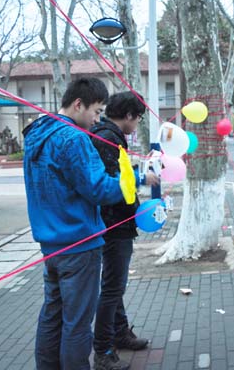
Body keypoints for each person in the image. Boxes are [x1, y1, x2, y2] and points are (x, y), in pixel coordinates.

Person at [23, 78, 125, 370]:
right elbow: (98, 189)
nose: (97, 119)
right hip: (79, 244)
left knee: (52, 315)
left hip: (51, 244)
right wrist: (126, 183)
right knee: (78, 323)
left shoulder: (37, 133)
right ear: (78, 104)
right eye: (96, 111)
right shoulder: (74, 137)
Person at [90, 92, 159, 370]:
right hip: (114, 224)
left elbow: (118, 175)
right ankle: (103, 352)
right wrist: (142, 177)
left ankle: (119, 334)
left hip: (115, 223)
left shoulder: (107, 135)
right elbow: (112, 184)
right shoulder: (108, 137)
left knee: (114, 286)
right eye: (138, 117)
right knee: (112, 288)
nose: (138, 123)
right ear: (129, 115)